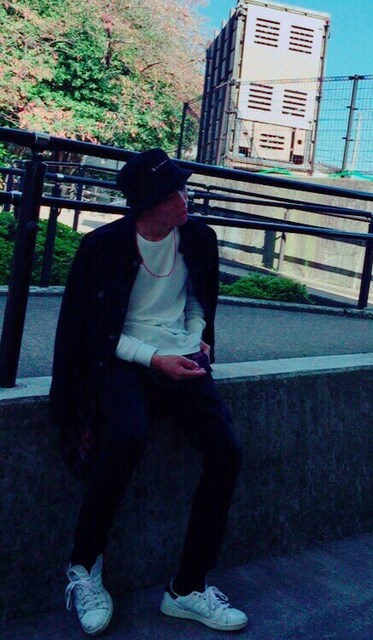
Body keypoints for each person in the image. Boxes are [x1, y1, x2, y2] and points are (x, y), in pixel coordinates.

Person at [49, 148, 247, 635]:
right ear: (147, 203)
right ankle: (84, 565)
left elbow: (198, 301)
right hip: (122, 357)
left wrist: (197, 338)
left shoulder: (197, 238)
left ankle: (188, 588)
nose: (184, 199)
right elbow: (89, 333)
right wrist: (153, 358)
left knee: (226, 452)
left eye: (183, 189)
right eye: (172, 193)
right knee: (126, 437)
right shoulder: (103, 247)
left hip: (181, 353)